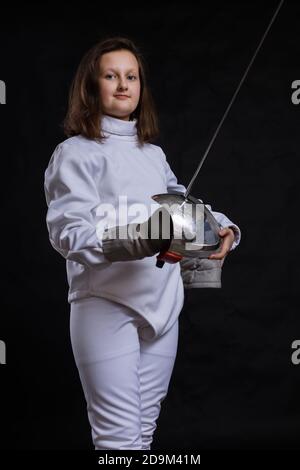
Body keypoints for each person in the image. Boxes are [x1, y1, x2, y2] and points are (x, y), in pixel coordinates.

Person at [44, 36, 241, 450]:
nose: (122, 85)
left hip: (163, 307)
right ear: (90, 86)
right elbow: (69, 234)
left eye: (131, 76)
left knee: (143, 434)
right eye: (111, 76)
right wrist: (145, 236)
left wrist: (223, 228)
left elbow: (182, 201)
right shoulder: (74, 153)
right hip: (105, 304)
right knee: (118, 441)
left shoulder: (152, 154)